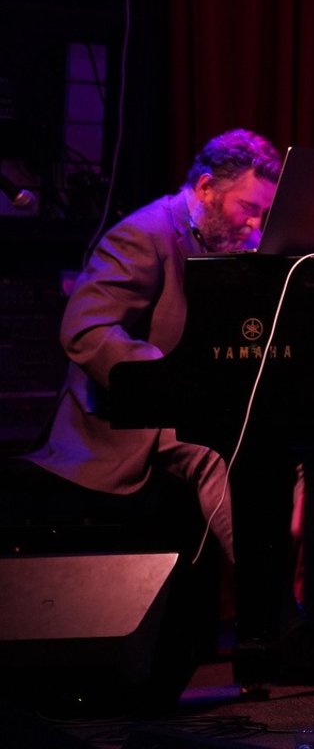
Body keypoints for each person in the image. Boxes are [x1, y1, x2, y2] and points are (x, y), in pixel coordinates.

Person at [19, 128, 283, 560]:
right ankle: (267, 606)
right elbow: (85, 329)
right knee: (216, 451)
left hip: (197, 398)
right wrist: (167, 380)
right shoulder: (143, 235)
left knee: (288, 444)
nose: (255, 224)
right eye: (249, 208)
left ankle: (308, 600)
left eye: (262, 213)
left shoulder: (228, 237)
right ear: (206, 188)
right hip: (126, 416)